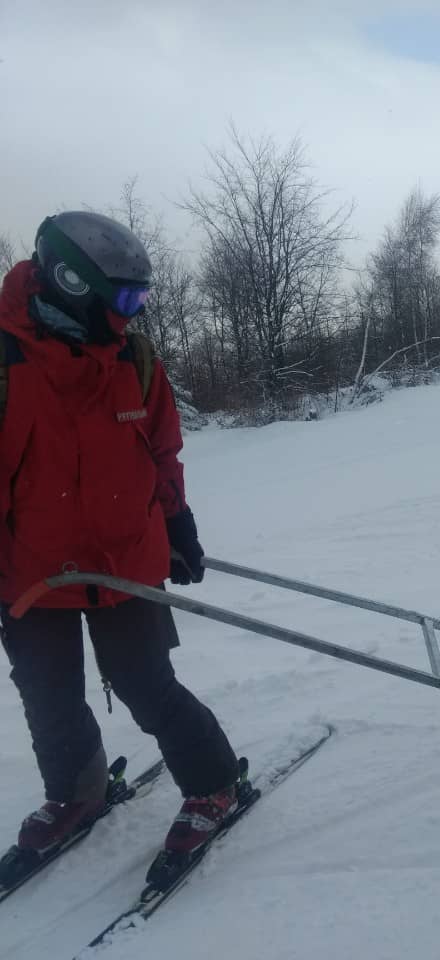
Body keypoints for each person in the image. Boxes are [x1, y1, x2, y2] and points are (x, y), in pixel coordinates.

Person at [0, 212, 240, 885]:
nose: (133, 316)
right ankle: (77, 794)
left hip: (125, 555)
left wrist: (179, 525)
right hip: (31, 569)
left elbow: (161, 455)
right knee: (47, 694)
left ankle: (214, 782)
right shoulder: (6, 362)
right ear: (75, 284)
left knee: (144, 683)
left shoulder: (133, 362)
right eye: (126, 300)